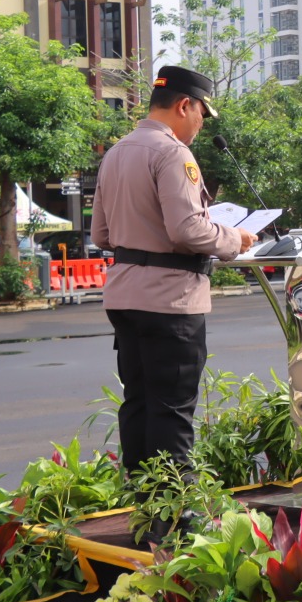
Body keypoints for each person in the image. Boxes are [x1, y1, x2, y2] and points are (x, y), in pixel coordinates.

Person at [90, 66, 255, 534]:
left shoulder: (117, 152)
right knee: (173, 408)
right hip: (171, 298)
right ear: (185, 105)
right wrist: (235, 237)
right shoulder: (173, 153)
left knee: (139, 401)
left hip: (125, 294)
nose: (202, 123)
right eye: (202, 112)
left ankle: (143, 503)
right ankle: (175, 516)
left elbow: (101, 233)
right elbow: (188, 230)